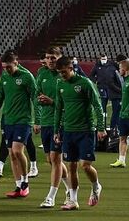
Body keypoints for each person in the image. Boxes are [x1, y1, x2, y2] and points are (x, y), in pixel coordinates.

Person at [53, 55, 107, 209]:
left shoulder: (85, 83)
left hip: (85, 130)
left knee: (85, 165)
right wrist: (57, 130)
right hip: (68, 131)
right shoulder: (60, 85)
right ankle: (73, 200)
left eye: (64, 72)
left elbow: (97, 105)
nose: (62, 75)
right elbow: (58, 109)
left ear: (71, 69)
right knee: (71, 167)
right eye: (59, 73)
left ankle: (96, 186)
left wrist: (101, 127)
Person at [0, 50, 38, 198]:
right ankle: (17, 186)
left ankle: (25, 183)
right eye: (4, 67)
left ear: (16, 63)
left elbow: (35, 98)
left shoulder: (27, 77)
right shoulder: (5, 77)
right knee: (11, 154)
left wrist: (38, 121)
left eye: (9, 67)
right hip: (8, 120)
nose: (6, 70)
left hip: (23, 120)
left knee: (16, 151)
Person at [34, 46, 65, 208]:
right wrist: (37, 120)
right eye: (48, 57)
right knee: (50, 159)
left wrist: (52, 102)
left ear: (60, 58)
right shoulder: (42, 74)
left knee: (55, 158)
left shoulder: (64, 74)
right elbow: (37, 94)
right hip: (46, 121)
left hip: (59, 122)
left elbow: (70, 100)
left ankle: (51, 196)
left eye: (53, 57)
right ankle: (70, 188)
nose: (50, 61)